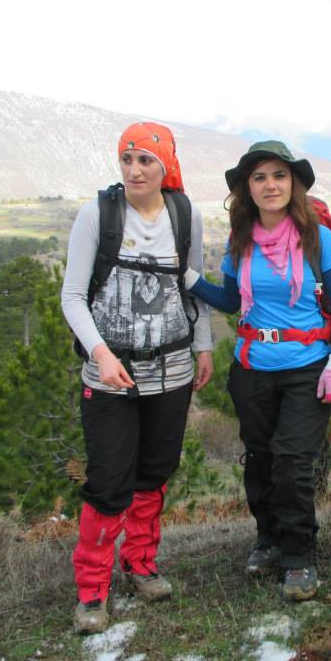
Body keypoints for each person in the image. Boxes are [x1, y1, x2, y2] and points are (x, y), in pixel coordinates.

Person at [183, 140, 331, 601]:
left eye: (279, 175)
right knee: (260, 459)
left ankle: (299, 555)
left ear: (294, 184)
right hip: (252, 368)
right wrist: (192, 281)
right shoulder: (240, 240)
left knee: (293, 462)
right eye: (259, 177)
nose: (270, 185)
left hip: (307, 367)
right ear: (248, 188)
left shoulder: (318, 238)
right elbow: (232, 301)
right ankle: (269, 537)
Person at [61, 122, 213, 633]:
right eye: (127, 159)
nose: (134, 170)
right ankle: (92, 592)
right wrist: (101, 354)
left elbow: (193, 289)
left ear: (165, 164)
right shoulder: (97, 215)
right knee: (108, 482)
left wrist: (204, 347)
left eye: (145, 159)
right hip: (111, 376)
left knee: (154, 472)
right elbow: (72, 297)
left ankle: (141, 564)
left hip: (172, 371)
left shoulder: (185, 214)